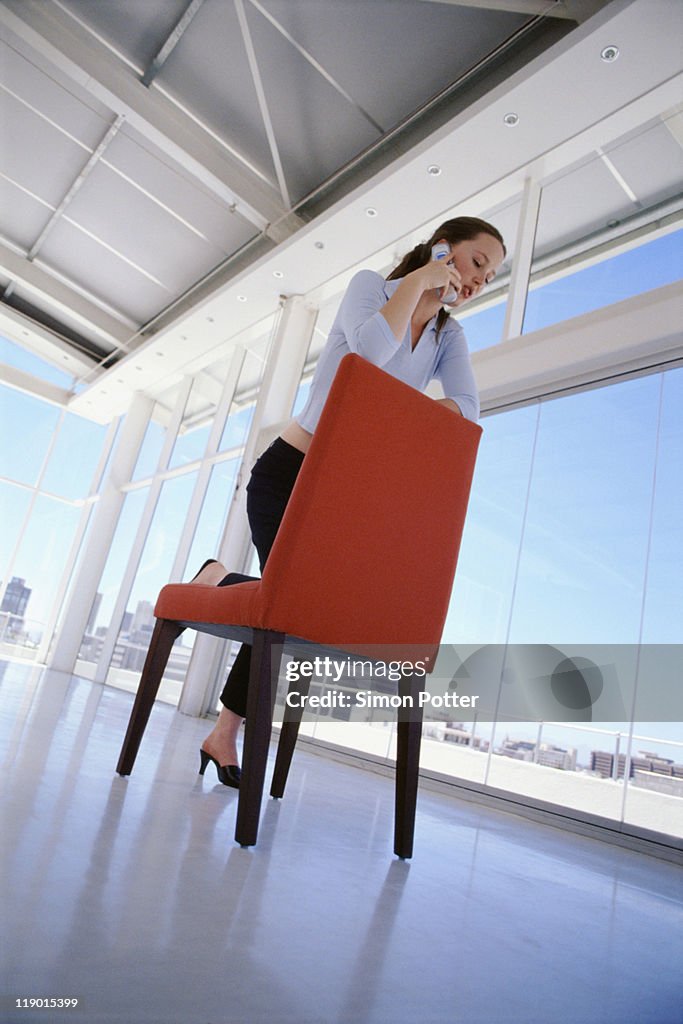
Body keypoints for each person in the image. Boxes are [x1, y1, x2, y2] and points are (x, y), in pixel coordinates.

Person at [195, 216, 506, 786]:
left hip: (337, 490)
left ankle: (221, 702)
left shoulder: (447, 337)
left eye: (493, 274)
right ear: (443, 247)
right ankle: (226, 728)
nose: (483, 279)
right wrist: (419, 283)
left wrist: (397, 417)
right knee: (286, 607)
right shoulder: (372, 288)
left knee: (292, 610)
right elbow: (362, 358)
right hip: (287, 473)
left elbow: (468, 407)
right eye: (478, 262)